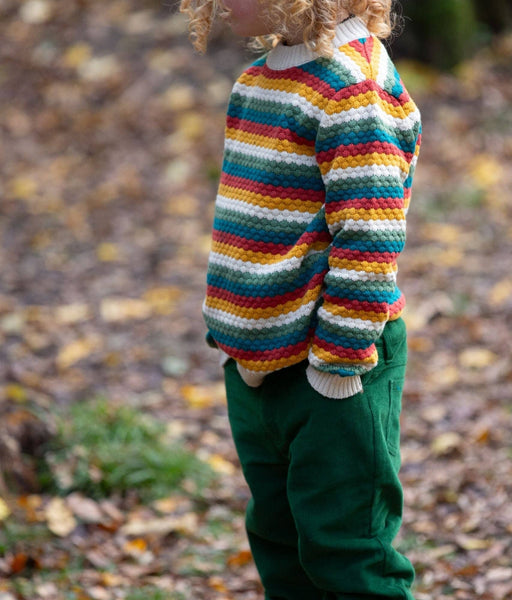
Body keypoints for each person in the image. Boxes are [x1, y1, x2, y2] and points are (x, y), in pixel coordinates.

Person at [180, 1, 422, 598]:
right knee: (280, 542)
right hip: (260, 367)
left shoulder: (350, 87)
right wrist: (239, 340)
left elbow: (369, 236)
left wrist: (337, 367)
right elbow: (253, 215)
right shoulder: (260, 80)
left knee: (348, 554)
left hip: (335, 368)